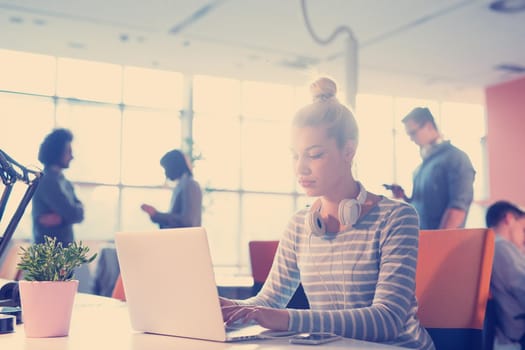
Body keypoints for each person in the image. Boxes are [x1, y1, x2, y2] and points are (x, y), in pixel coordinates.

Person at [220, 78, 434, 349]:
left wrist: (285, 319)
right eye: (295, 155)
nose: (300, 168)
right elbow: (268, 303)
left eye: (315, 154)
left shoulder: (396, 217)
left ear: (348, 151)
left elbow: (387, 320)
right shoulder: (300, 224)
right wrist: (225, 309)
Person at [386, 107, 475, 229]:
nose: (411, 139)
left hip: (442, 243)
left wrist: (438, 244)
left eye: (413, 133)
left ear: (428, 126)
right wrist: (404, 198)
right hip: (422, 240)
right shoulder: (421, 168)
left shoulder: (456, 158)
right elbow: (422, 208)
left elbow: (458, 209)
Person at [31, 128, 84, 246]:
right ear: (57, 152)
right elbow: (73, 214)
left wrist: (60, 218)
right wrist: (69, 215)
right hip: (48, 255)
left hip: (64, 253)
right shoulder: (46, 180)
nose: (72, 157)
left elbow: (79, 214)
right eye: (68, 151)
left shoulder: (64, 181)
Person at [485, 200, 525, 348]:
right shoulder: (502, 248)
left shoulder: (490, 246)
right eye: (523, 229)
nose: (524, 238)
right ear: (508, 218)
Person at [141, 149, 202, 228]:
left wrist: (157, 215)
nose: (165, 173)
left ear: (174, 166)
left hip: (185, 239)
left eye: (166, 168)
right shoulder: (181, 186)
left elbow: (188, 221)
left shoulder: (190, 185)